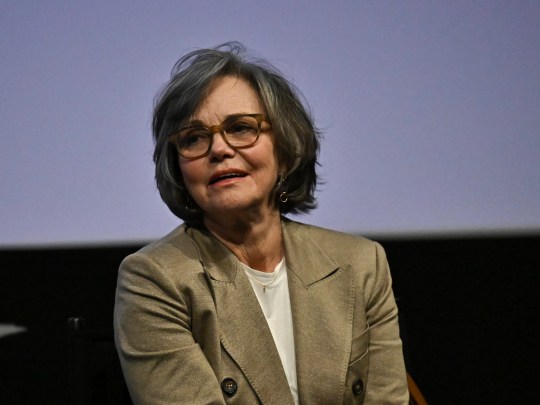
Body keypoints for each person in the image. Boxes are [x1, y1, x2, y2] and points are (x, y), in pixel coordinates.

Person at [114, 42, 409, 404]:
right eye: (193, 138)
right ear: (178, 169)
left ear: (284, 150)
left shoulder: (361, 264)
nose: (219, 149)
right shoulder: (154, 278)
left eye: (240, 128)